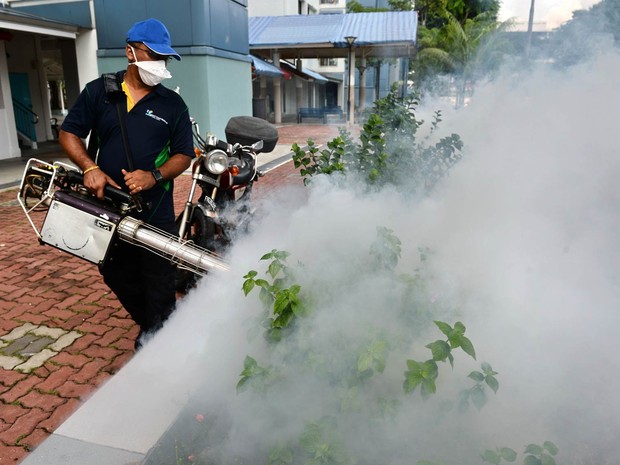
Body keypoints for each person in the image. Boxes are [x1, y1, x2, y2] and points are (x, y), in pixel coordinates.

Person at [59, 18, 194, 349]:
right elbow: (68, 132)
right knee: (114, 271)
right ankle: (153, 328)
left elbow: (184, 155)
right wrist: (89, 166)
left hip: (156, 208)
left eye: (164, 58)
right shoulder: (99, 92)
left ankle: (158, 343)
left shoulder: (172, 105)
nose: (159, 65)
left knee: (159, 276)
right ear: (130, 53)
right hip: (109, 205)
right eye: (153, 55)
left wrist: (155, 176)